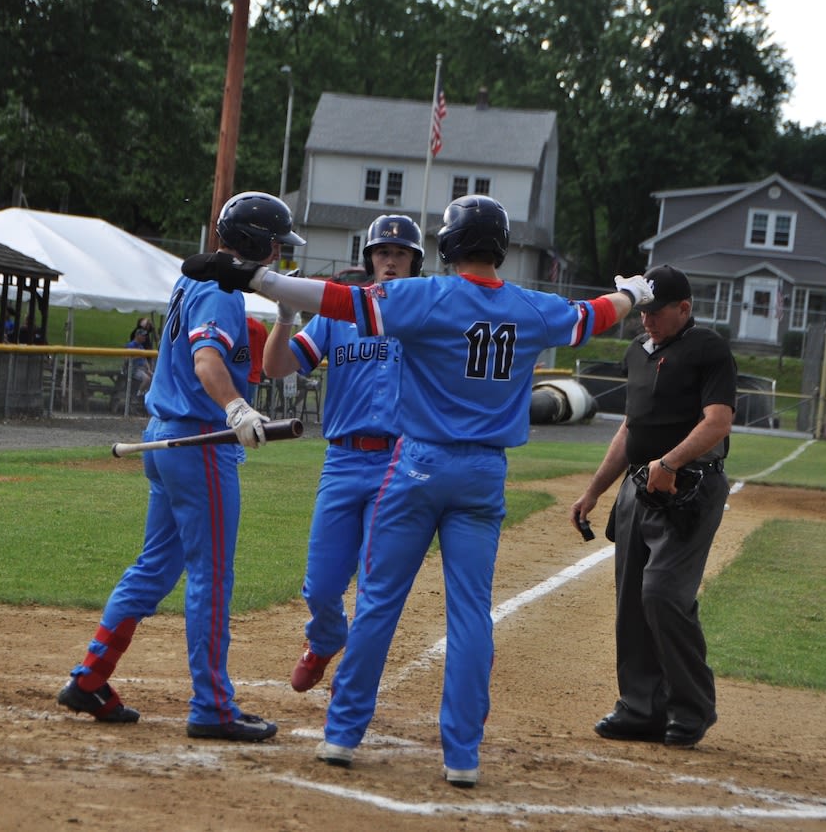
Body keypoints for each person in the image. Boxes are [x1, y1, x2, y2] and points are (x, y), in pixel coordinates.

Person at [182, 194, 652, 786]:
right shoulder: (533, 308)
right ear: (501, 247)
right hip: (484, 476)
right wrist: (637, 292)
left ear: (448, 246)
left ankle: (343, 734)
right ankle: (462, 754)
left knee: (379, 602)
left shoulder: (425, 296)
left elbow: (335, 299)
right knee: (471, 614)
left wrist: (258, 277)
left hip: (418, 465)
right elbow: (595, 315)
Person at [56, 191, 305, 742]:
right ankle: (213, 706)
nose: (276, 258)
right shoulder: (220, 290)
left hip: (166, 440)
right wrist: (235, 407)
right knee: (211, 577)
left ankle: (90, 677)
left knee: (155, 567)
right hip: (198, 444)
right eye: (274, 247)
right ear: (258, 245)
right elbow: (206, 358)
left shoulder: (194, 278)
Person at [570, 264, 736, 749]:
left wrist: (670, 461)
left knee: (663, 595)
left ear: (684, 309)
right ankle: (640, 707)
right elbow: (629, 429)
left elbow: (718, 422)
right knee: (631, 603)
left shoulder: (708, 349)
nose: (646, 320)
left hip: (689, 488)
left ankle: (691, 708)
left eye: (656, 312)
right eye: (642, 311)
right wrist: (596, 490)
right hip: (638, 488)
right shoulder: (636, 354)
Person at [261, 214, 418, 693]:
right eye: (382, 253)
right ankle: (326, 635)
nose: (390, 261)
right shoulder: (338, 313)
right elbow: (275, 367)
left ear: (414, 262)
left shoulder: (425, 314)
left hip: (399, 461)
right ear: (370, 259)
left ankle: (353, 681)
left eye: (400, 254)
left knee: (376, 586)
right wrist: (286, 313)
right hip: (343, 459)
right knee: (322, 584)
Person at [124, 327, 154, 397]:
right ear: (137, 336)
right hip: (133, 369)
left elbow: (145, 359)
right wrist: (137, 356)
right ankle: (139, 395)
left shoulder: (141, 346)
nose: (145, 337)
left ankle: (146, 392)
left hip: (142, 369)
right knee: (147, 379)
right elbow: (126, 359)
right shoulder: (131, 345)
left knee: (154, 377)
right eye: (143, 336)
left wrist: (149, 369)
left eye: (145, 336)